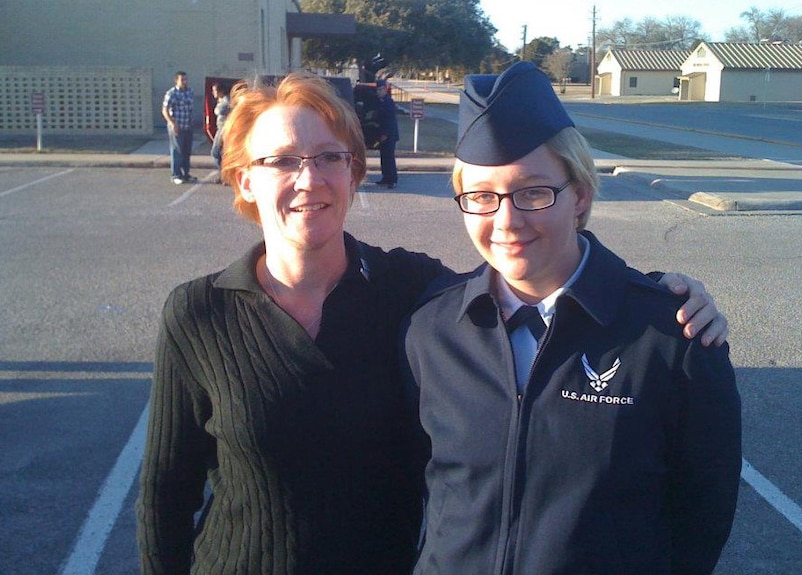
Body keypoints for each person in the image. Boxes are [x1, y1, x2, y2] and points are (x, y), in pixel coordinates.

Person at [136, 71, 728, 575]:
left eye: (328, 158)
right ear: (244, 179)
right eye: (282, 161)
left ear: (353, 172)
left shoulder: (410, 294)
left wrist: (661, 297)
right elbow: (165, 492)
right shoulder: (200, 314)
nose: (309, 179)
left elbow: (700, 516)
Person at [401, 61, 742, 574]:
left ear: (580, 195)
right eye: (481, 196)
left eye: (533, 192)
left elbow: (702, 514)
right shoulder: (432, 329)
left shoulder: (672, 337)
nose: (506, 221)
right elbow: (414, 485)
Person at [162, 71, 197, 185]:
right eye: (182, 80)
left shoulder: (189, 92)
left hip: (188, 126)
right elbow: (165, 110)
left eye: (186, 79)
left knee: (186, 151)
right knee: (177, 151)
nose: (184, 82)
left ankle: (185, 174)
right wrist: (173, 124)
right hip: (177, 127)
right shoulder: (172, 93)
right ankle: (175, 175)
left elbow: (190, 109)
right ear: (176, 80)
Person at [373, 79, 399, 188]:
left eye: (380, 90)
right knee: (384, 157)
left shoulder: (389, 102)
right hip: (383, 135)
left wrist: (385, 134)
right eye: (377, 90)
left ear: (385, 89)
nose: (378, 92)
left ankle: (392, 180)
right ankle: (385, 178)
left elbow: (390, 120)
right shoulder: (380, 102)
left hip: (389, 135)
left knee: (389, 158)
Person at [210, 82, 231, 178]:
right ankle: (223, 174)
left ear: (220, 91)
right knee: (221, 153)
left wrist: (217, 106)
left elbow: (218, 111)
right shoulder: (221, 100)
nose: (213, 93)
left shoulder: (226, 101)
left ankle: (224, 174)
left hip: (224, 129)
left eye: (215, 91)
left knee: (215, 152)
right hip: (221, 128)